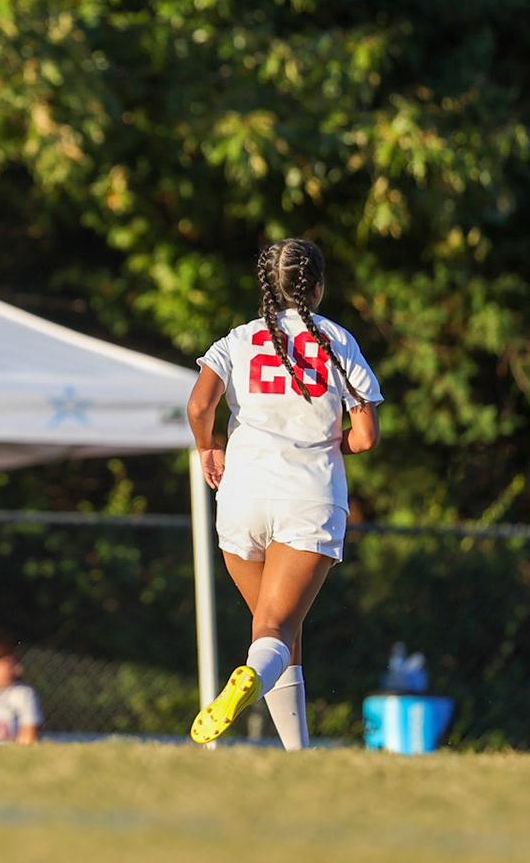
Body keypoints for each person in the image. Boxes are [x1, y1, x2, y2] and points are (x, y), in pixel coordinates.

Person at [186, 238, 383, 749]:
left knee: (274, 630)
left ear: (265, 289)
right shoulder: (338, 341)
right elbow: (365, 437)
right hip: (307, 496)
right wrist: (333, 441)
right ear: (317, 288)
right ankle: (249, 682)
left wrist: (208, 448)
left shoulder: (237, 340)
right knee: (276, 628)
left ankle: (297, 756)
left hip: (241, 496)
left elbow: (199, 406)